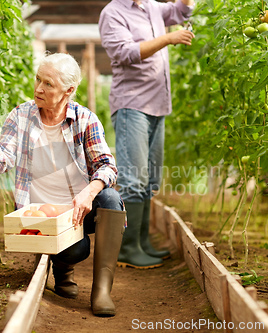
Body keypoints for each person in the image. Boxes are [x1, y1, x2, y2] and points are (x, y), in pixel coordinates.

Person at [0, 53, 125, 317]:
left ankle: (101, 291)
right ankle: (62, 269)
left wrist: (88, 192)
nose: (38, 88)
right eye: (38, 79)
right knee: (77, 250)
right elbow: (4, 159)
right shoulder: (21, 116)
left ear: (68, 91)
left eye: (48, 83)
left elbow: (107, 166)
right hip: (42, 216)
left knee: (111, 199)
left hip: (79, 210)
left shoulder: (85, 120)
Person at [99, 0, 195, 269]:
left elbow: (181, 11)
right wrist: (168, 38)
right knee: (134, 178)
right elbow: (125, 53)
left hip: (157, 105)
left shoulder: (151, 7)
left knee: (149, 179)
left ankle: (141, 243)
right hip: (133, 104)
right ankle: (127, 248)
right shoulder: (113, 13)